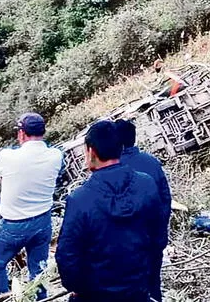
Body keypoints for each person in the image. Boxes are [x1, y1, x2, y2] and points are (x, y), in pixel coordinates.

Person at [56, 121, 166, 302]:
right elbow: (159, 236)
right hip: (139, 289)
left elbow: (67, 256)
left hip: (96, 295)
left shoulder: (81, 199)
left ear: (91, 152)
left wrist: (78, 289)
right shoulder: (146, 184)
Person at [0, 113, 63, 301]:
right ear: (43, 132)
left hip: (13, 224)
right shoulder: (55, 155)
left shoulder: (7, 156)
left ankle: (1, 299)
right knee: (38, 270)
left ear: (21, 134)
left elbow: (0, 175)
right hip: (43, 221)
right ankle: (41, 300)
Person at [114, 119, 171, 302]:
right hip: (154, 239)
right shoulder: (151, 162)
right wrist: (161, 231)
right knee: (154, 285)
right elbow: (165, 199)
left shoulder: (114, 169)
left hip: (126, 245)